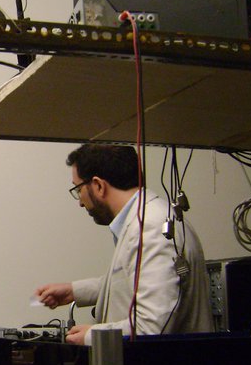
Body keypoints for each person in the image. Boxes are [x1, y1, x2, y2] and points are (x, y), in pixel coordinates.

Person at [35, 143, 213, 344]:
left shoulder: (151, 228)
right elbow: (133, 279)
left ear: (98, 186)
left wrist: (91, 336)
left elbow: (151, 327)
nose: (80, 202)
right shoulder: (142, 221)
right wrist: (74, 291)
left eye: (78, 189)